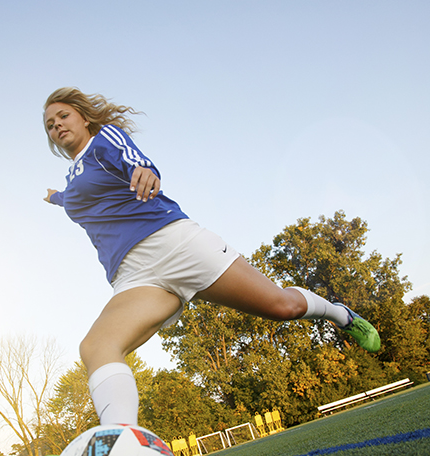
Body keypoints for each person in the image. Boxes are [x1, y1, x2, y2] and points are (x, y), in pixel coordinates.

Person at [42, 87, 380, 429]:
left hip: (175, 245)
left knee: (281, 307)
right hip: (134, 276)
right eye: (50, 125)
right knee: (96, 346)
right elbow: (73, 198)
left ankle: (342, 314)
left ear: (84, 118)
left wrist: (144, 169)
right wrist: (56, 197)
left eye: (63, 117)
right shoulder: (72, 180)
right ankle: (120, 441)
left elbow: (132, 158)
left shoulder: (104, 142)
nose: (57, 126)